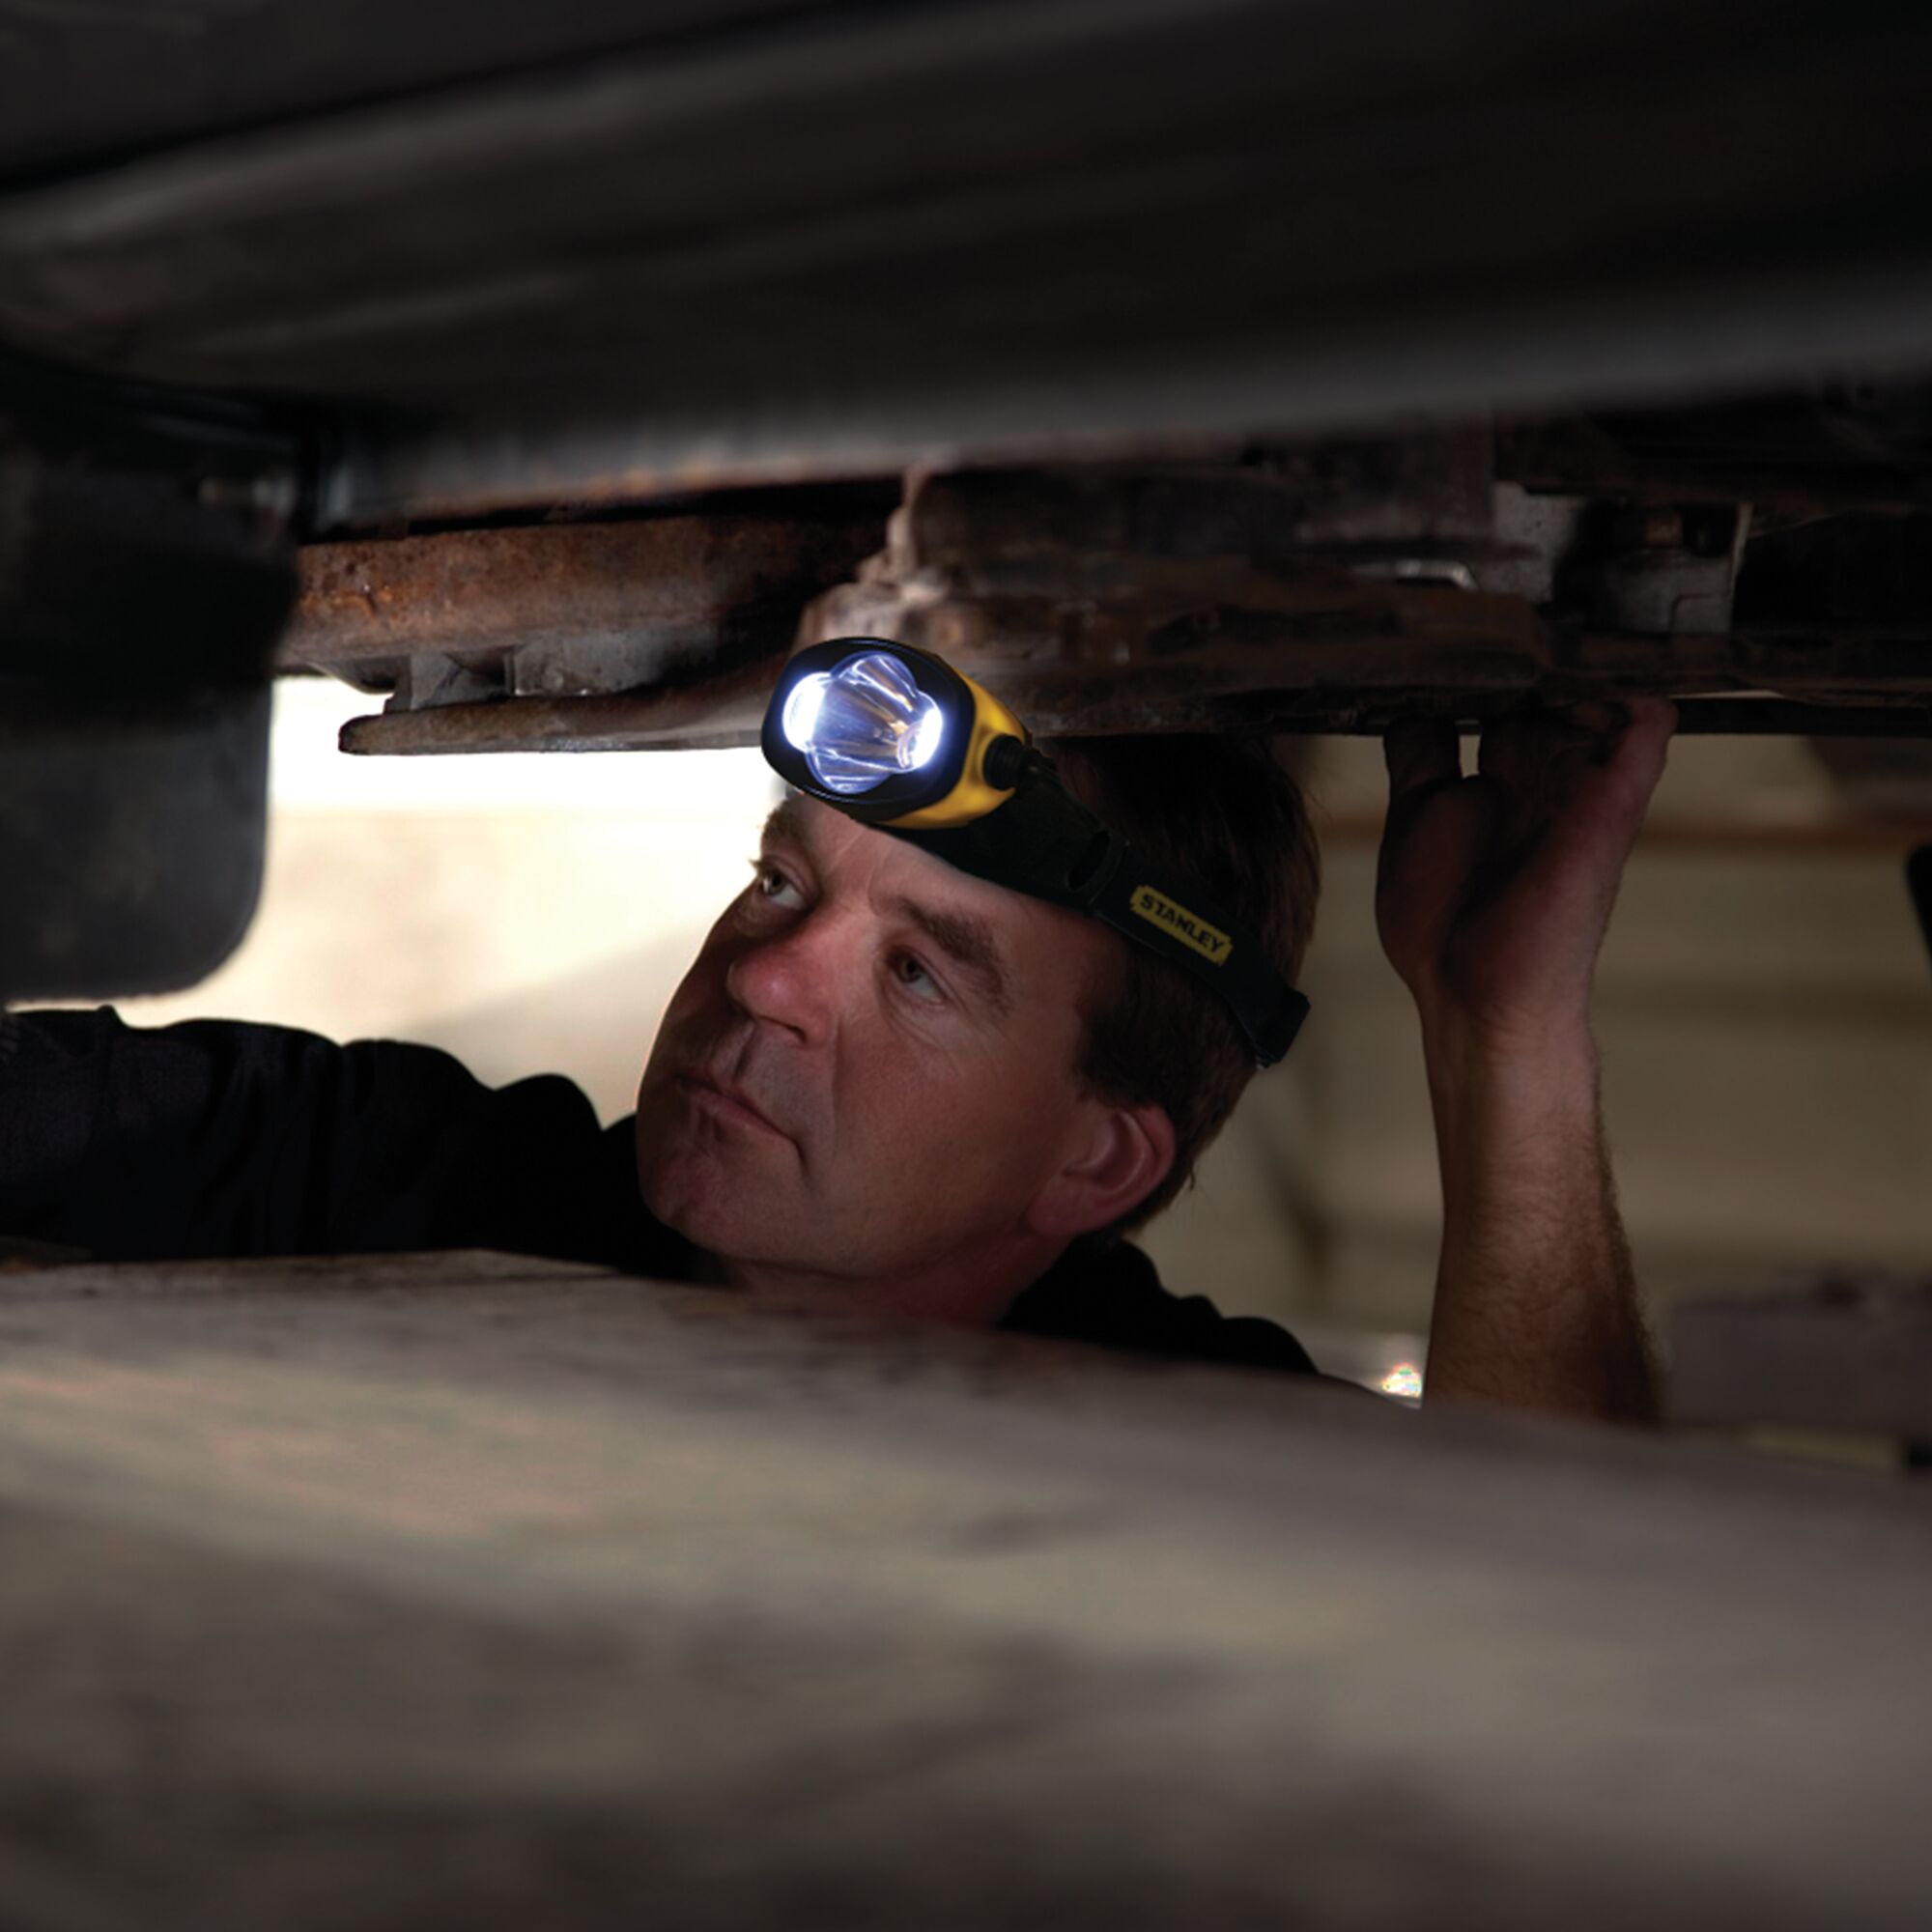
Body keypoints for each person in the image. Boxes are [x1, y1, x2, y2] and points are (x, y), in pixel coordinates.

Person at [0, 700, 1674, 1419]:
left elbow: (1587, 1614)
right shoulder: (362, 1169)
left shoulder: (1171, 1427)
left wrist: (1502, 1035)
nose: (768, 968)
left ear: (1097, 1160)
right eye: (787, 879)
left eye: (921, 973)